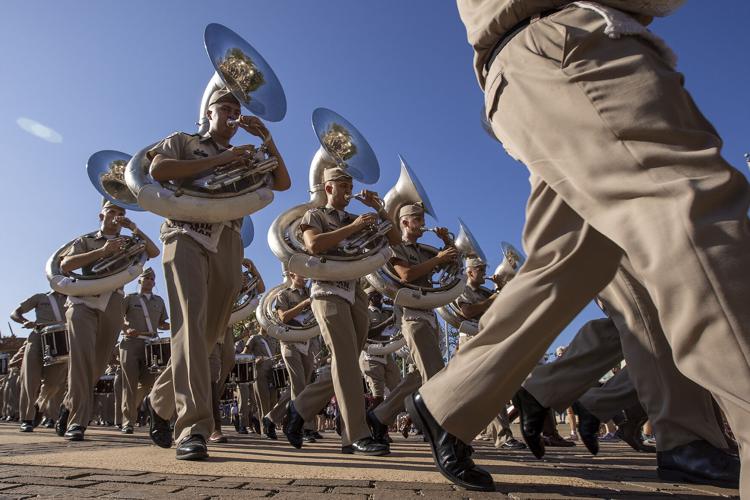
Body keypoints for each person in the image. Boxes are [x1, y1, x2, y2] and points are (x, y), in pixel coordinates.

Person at [407, 2, 750, 493]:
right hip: (567, 45)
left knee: (572, 258)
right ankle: (684, 433)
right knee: (690, 209)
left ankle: (454, 400)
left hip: (537, 64)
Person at [143, 88, 290, 460]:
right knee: (190, 325)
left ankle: (159, 399)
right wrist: (217, 162)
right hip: (185, 232)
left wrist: (267, 140)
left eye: (235, 110)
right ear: (208, 112)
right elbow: (159, 170)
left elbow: (283, 182)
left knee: (209, 335)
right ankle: (193, 428)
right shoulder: (184, 140)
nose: (231, 115)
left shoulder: (246, 153)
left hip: (228, 240)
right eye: (224, 108)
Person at [284, 167, 399, 455]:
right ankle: (355, 435)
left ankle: (298, 408)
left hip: (354, 291)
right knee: (346, 361)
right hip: (326, 289)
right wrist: (354, 227)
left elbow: (394, 241)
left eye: (350, 185)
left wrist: (380, 210)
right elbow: (314, 244)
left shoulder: (355, 217)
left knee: (347, 362)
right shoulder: (316, 215)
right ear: (328, 188)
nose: (349, 190)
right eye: (343, 185)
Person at [57, 201, 159, 441]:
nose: (117, 215)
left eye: (121, 212)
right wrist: (102, 252)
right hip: (82, 301)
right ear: (101, 214)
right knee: (81, 361)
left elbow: (153, 252)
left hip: (112, 301)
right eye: (112, 211)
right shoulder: (86, 240)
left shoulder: (130, 241)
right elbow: (66, 265)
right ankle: (77, 422)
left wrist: (134, 227)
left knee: (98, 365)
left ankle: (68, 404)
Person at [367, 204, 457, 443]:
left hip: (429, 314)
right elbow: (406, 275)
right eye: (417, 219)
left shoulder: (425, 250)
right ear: (405, 223)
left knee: (419, 375)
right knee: (435, 375)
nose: (422, 223)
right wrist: (437, 258)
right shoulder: (395, 247)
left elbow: (453, 264)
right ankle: (442, 433)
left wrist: (447, 241)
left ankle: (380, 415)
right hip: (413, 315)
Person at [119, 267, 169, 434]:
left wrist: (177, 325)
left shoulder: (159, 301)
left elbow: (162, 324)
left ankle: (132, 407)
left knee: (148, 382)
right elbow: (117, 319)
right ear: (139, 280)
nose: (149, 280)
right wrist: (126, 329)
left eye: (152, 279)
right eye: (146, 278)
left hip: (151, 346)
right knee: (130, 383)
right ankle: (128, 422)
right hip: (131, 343)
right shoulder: (129, 298)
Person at [11, 290, 68, 432]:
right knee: (30, 379)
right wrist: (25, 321)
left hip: (62, 341)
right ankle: (27, 419)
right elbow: (15, 313)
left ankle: (39, 406)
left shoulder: (74, 298)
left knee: (54, 383)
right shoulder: (40, 297)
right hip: (38, 336)